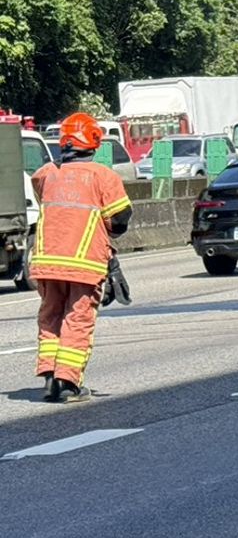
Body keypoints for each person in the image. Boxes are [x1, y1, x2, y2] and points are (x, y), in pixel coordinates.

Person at [31, 112, 132, 402]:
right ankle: (68, 383)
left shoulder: (47, 173)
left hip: (47, 261)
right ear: (94, 142)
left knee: (50, 316)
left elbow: (46, 196)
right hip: (84, 263)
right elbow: (121, 219)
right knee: (77, 320)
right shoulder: (103, 176)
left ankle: (50, 379)